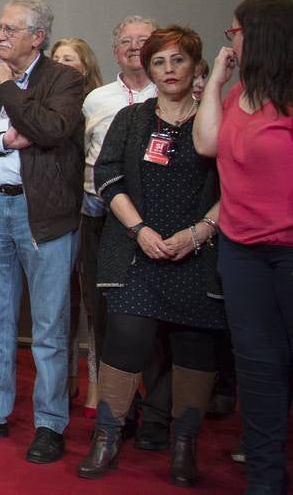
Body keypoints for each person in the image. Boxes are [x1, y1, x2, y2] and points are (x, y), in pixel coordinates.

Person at [77, 26, 223, 486]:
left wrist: (199, 233)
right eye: (159, 62)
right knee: (124, 341)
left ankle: (184, 445)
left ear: (196, 66)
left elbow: (238, 184)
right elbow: (109, 176)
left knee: (194, 350)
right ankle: (107, 439)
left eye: (178, 60)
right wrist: (139, 229)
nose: (168, 70)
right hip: (137, 251)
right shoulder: (132, 119)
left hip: (199, 254)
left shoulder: (216, 121)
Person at [0, 0, 86, 464]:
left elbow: (49, 129)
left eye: (10, 28)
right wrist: (5, 139)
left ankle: (50, 423)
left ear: (38, 37)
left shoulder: (64, 78)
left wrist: (9, 90)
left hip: (43, 216)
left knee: (49, 327)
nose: (0, 35)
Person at [194, 0, 293, 495]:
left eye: (234, 33)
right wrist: (217, 78)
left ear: (262, 36)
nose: (229, 40)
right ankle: (265, 479)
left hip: (289, 252)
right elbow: (207, 144)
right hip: (241, 252)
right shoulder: (238, 96)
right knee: (257, 368)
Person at [78, 16, 156, 417]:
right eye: (125, 41)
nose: (134, 46)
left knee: (158, 315)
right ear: (114, 52)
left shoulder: (172, 94)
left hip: (162, 224)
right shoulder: (97, 99)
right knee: (105, 312)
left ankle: (159, 410)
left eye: (143, 40)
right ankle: (115, 410)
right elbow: (85, 159)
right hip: (102, 220)